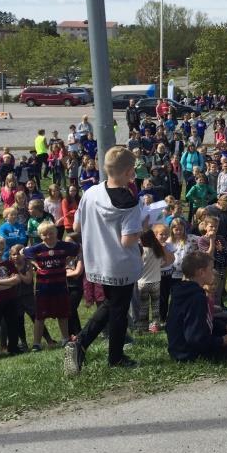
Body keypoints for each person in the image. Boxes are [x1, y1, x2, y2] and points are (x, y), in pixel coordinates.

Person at [64, 146, 145, 375]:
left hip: (96, 259)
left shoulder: (90, 192)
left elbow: (77, 226)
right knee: (118, 310)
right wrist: (144, 226)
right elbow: (128, 240)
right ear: (130, 171)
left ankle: (80, 343)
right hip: (119, 262)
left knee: (111, 304)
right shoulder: (128, 202)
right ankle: (114, 356)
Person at [166, 249, 227, 362]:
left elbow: (202, 321)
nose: (213, 271)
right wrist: (221, 341)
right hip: (190, 353)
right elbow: (195, 338)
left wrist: (225, 327)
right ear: (201, 272)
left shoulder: (183, 291)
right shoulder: (196, 297)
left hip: (181, 347)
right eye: (211, 269)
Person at [22, 222, 79, 352]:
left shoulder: (64, 246)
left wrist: (70, 260)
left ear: (56, 233)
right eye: (44, 234)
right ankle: (36, 343)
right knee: (40, 316)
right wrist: (35, 264)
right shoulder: (37, 249)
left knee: (63, 314)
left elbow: (78, 248)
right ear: (40, 236)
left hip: (60, 286)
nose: (48, 236)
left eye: (51, 233)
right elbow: (24, 251)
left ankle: (65, 339)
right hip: (43, 287)